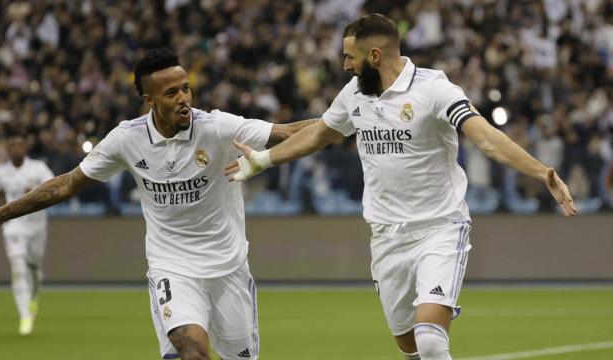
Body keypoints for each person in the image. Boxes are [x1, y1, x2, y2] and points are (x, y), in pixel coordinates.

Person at [225, 14, 577, 360]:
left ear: (374, 56)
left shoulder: (434, 89)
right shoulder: (354, 95)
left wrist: (540, 171)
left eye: (350, 56)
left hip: (439, 229)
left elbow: (484, 137)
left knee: (431, 342)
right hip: (386, 237)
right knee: (409, 349)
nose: (345, 65)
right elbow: (318, 135)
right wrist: (262, 160)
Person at [0, 47, 315, 360]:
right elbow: (66, 184)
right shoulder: (127, 138)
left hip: (229, 268)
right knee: (192, 352)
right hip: (173, 268)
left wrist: (344, 121)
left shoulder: (217, 127)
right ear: (149, 100)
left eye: (185, 88)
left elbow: (288, 132)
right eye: (171, 92)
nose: (183, 99)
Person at [0, 131, 54, 335]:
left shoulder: (38, 168)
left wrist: (36, 191)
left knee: (34, 268)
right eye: (12, 146)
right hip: (14, 226)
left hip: (36, 225)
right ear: (8, 150)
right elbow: (0, 194)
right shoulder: (1, 172)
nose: (16, 149)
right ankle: (25, 317)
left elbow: (53, 189)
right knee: (18, 266)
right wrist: (2, 219)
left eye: (20, 145)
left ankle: (33, 298)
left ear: (25, 148)